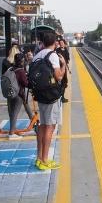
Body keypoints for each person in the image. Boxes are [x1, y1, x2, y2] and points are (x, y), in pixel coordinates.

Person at [33, 31, 66, 170]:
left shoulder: (37, 55)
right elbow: (58, 76)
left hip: (40, 94)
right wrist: (63, 64)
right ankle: (45, 160)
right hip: (51, 96)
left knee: (42, 125)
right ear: (54, 42)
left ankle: (39, 158)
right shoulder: (52, 55)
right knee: (50, 127)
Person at [7, 53, 33, 139]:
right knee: (15, 113)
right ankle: (11, 133)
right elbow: (26, 83)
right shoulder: (21, 71)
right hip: (18, 94)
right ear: (22, 61)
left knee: (13, 111)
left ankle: (33, 121)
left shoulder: (11, 69)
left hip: (10, 93)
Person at [55, 38, 71, 103]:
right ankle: (59, 97)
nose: (61, 44)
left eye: (62, 43)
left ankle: (62, 97)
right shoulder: (57, 50)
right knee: (59, 83)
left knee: (64, 83)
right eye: (60, 43)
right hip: (58, 69)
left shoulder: (66, 50)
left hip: (64, 69)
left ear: (64, 43)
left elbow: (68, 58)